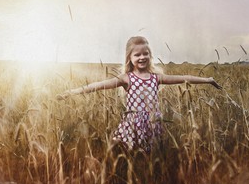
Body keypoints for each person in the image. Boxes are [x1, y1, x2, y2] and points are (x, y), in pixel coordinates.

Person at [57, 36, 221, 152]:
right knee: (119, 151)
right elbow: (99, 85)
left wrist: (207, 79)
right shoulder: (126, 78)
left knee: (147, 156)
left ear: (150, 55)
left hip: (151, 122)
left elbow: (183, 78)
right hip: (132, 123)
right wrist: (73, 91)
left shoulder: (156, 78)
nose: (142, 57)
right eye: (137, 54)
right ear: (129, 57)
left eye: (145, 53)